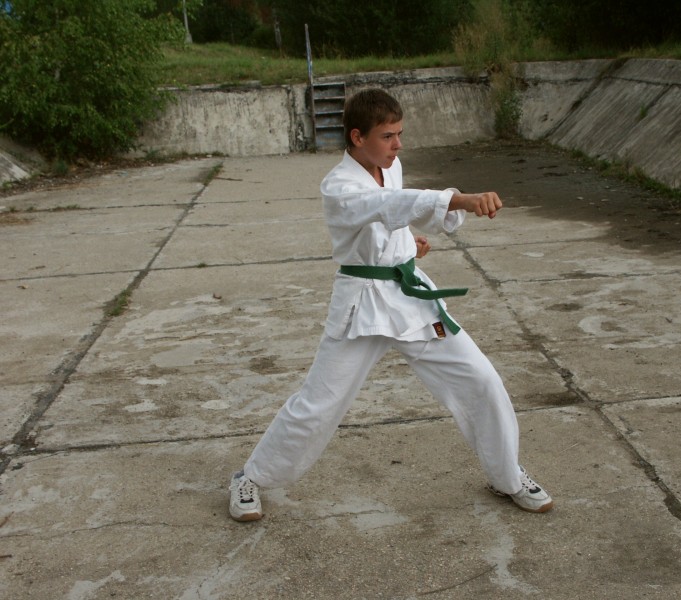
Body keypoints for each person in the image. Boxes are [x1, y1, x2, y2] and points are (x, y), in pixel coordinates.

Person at [228, 88, 553, 522]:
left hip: (408, 298)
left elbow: (388, 220)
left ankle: (506, 475)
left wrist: (405, 246)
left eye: (400, 134)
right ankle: (250, 477)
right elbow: (385, 205)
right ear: (357, 137)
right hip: (361, 305)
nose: (398, 145)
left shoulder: (390, 166)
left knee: (481, 379)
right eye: (388, 136)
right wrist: (457, 199)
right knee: (319, 404)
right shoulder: (338, 186)